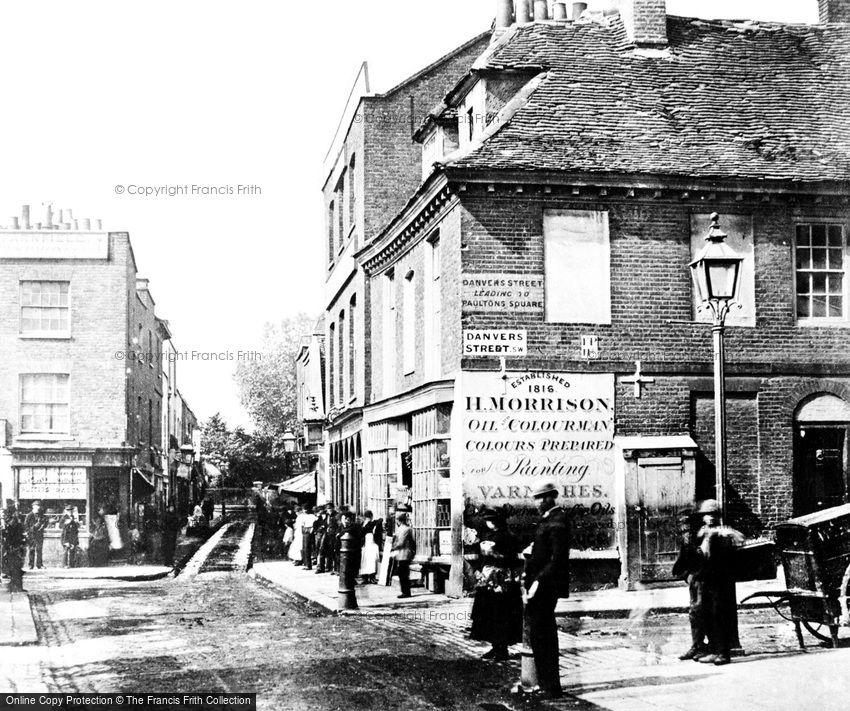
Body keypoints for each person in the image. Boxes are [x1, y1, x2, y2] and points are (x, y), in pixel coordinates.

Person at [523, 481, 570, 700]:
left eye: (541, 498)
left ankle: (551, 688)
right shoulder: (548, 519)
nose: (537, 502)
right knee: (539, 635)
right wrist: (530, 553)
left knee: (544, 636)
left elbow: (557, 559)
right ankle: (545, 684)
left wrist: (538, 581)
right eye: (535, 498)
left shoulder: (558, 520)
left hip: (546, 586)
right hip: (540, 586)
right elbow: (544, 551)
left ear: (551, 497)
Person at [694, 499, 744, 666]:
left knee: (719, 615)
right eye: (707, 515)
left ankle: (723, 652)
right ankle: (714, 649)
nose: (711, 518)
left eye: (714, 515)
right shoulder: (702, 533)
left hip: (720, 580)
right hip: (706, 579)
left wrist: (725, 535)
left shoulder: (725, 532)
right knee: (707, 614)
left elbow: (739, 541)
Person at [470, 507, 523, 661]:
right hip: (488, 579)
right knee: (489, 613)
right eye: (487, 520)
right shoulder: (487, 535)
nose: (489, 523)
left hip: (502, 580)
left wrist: (498, 555)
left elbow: (514, 559)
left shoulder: (508, 536)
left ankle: (502, 649)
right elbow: (481, 556)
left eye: (491, 520)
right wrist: (479, 569)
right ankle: (495, 646)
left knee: (501, 613)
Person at [672, 510, 710, 661]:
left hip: (704, 577)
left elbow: (703, 557)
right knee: (694, 612)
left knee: (701, 611)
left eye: (687, 526)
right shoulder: (687, 541)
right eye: (682, 527)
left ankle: (706, 646)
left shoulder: (702, 536)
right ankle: (697, 645)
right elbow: (683, 559)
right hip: (695, 578)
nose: (684, 530)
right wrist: (687, 575)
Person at [391, 511, 416, 598]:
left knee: (403, 574)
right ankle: (405, 591)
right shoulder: (405, 529)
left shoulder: (404, 529)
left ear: (399, 521)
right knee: (403, 574)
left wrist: (393, 547)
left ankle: (406, 592)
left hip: (404, 554)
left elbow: (401, 542)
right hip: (403, 554)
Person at [3, 502, 26, 592]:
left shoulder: (13, 522)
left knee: (16, 568)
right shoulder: (12, 522)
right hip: (13, 548)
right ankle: (16, 587)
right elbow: (11, 536)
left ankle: (16, 587)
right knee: (15, 568)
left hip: (15, 548)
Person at [359, 511, 383, 584]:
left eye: (369, 517)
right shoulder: (363, 525)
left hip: (372, 544)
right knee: (364, 560)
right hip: (365, 544)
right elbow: (360, 534)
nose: (368, 519)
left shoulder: (374, 524)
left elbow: (380, 521)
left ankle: (371, 577)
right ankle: (365, 577)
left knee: (372, 560)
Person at [24, 501, 48, 569]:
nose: (38, 507)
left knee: (39, 550)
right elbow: (26, 526)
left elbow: (45, 522)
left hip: (39, 535)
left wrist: (44, 525)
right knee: (32, 550)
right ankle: (31, 565)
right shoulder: (29, 515)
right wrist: (33, 527)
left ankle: (39, 564)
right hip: (31, 535)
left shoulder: (41, 515)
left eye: (39, 506)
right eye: (37, 506)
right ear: (33, 506)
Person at [162, 503, 181, 567]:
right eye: (170, 507)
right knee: (168, 548)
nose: (171, 509)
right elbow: (164, 524)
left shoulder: (175, 515)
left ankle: (170, 561)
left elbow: (177, 524)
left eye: (172, 507)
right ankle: (167, 561)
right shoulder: (166, 515)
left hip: (173, 533)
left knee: (172, 547)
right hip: (168, 534)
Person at [300, 506, 317, 570]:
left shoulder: (312, 516)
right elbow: (302, 525)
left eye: (306, 509)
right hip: (305, 531)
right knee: (305, 548)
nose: (305, 511)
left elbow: (315, 523)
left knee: (309, 548)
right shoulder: (302, 516)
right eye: (304, 509)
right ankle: (307, 564)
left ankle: (309, 564)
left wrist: (312, 529)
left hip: (310, 530)